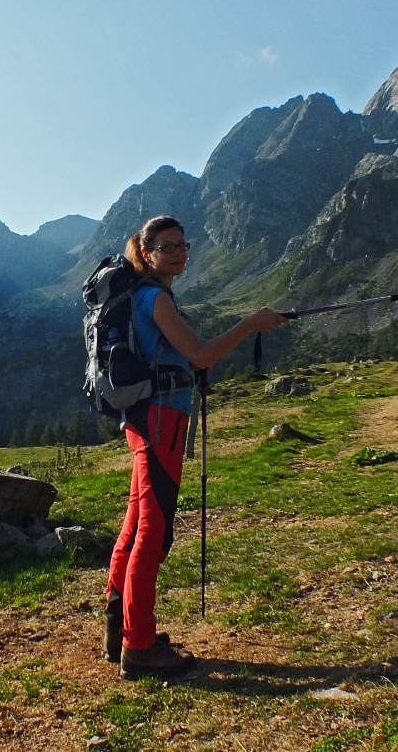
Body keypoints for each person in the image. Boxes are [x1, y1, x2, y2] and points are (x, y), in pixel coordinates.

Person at [105, 214, 289, 678]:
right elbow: (202, 354)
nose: (180, 252)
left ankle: (121, 630)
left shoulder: (141, 296)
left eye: (184, 244)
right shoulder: (156, 299)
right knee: (155, 530)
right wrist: (253, 323)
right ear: (146, 253)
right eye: (168, 247)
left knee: (135, 524)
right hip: (162, 419)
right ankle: (139, 646)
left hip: (143, 417)